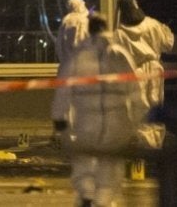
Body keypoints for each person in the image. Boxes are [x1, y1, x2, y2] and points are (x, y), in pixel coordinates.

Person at [51, 13, 147, 207]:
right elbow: (136, 91)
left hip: (86, 121)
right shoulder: (120, 54)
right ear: (107, 28)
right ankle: (103, 200)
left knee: (83, 161)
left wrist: (59, 119)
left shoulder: (78, 57)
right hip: (116, 122)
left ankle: (86, 193)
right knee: (110, 167)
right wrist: (137, 122)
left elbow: (64, 90)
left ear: (89, 30)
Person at [55, 0, 90, 67]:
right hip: (80, 66)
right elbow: (83, 40)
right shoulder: (82, 21)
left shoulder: (65, 20)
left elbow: (59, 45)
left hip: (66, 65)